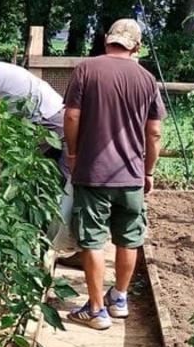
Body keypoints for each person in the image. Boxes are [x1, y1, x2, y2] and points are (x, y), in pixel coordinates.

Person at [63, 19, 165, 330]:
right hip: (131, 174)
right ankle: (119, 299)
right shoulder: (147, 79)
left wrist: (73, 153)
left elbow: (71, 115)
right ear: (137, 46)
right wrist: (148, 171)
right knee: (129, 238)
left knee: (93, 240)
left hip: (94, 173)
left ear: (108, 40)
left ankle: (96, 310)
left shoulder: (86, 69)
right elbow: (155, 133)